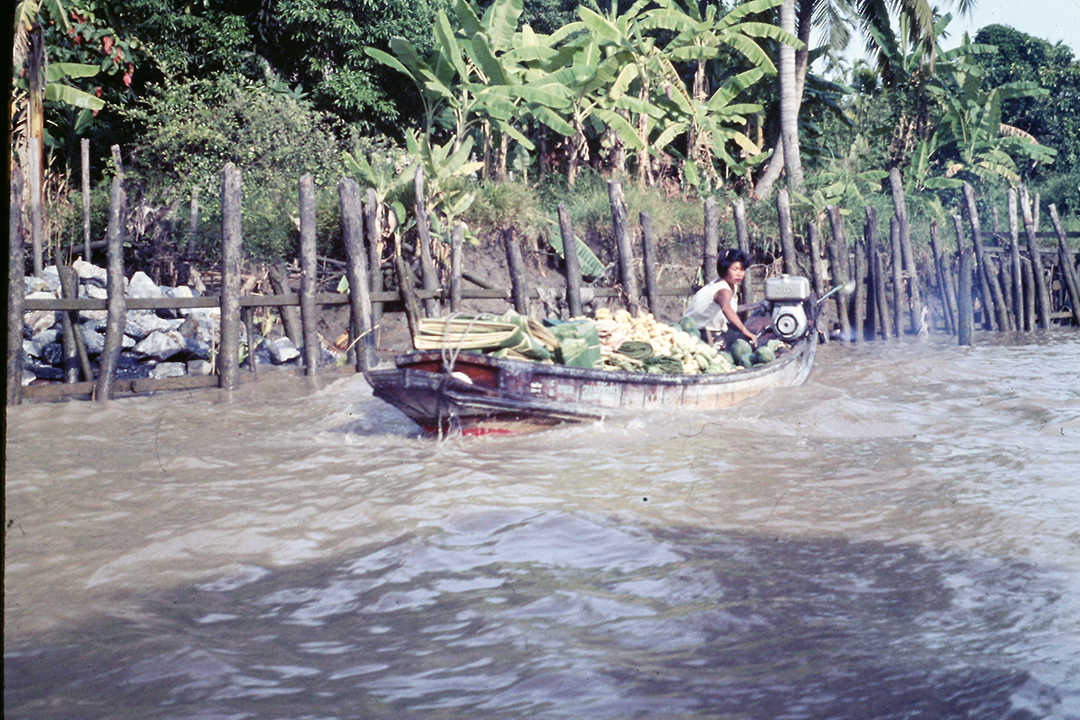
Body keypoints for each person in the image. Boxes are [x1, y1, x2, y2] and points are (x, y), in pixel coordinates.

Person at [680, 248, 770, 348]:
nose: (739, 274)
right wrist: (744, 330)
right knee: (751, 342)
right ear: (724, 269)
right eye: (735, 269)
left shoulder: (725, 284)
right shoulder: (723, 290)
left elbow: (729, 309)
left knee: (752, 334)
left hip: (707, 329)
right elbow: (726, 308)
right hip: (699, 333)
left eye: (742, 269)